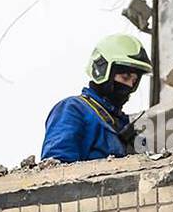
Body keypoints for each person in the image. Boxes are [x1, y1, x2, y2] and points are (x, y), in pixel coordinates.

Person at [41, 33, 152, 163]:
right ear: (102, 70)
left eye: (134, 81)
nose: (129, 85)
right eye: (125, 77)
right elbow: (57, 171)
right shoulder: (74, 109)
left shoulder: (126, 125)